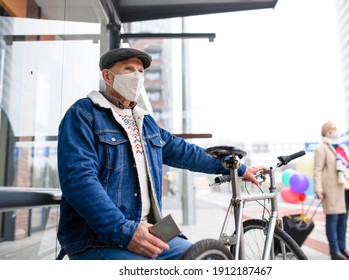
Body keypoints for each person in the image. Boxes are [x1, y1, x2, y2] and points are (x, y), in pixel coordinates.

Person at [56, 47, 265, 260]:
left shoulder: (145, 122)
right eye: (128, 69)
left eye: (141, 71)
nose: (136, 76)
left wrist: (238, 168)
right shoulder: (83, 114)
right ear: (107, 76)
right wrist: (126, 232)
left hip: (154, 230)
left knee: (206, 261)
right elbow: (79, 180)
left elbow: (185, 152)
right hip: (98, 237)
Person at [313, 121, 349, 260]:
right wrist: (318, 190)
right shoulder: (321, 148)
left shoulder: (341, 147)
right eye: (333, 128)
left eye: (336, 128)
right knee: (333, 219)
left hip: (345, 188)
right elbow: (317, 170)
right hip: (331, 190)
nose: (335, 130)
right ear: (327, 131)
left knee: (343, 220)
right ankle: (334, 251)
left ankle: (342, 248)